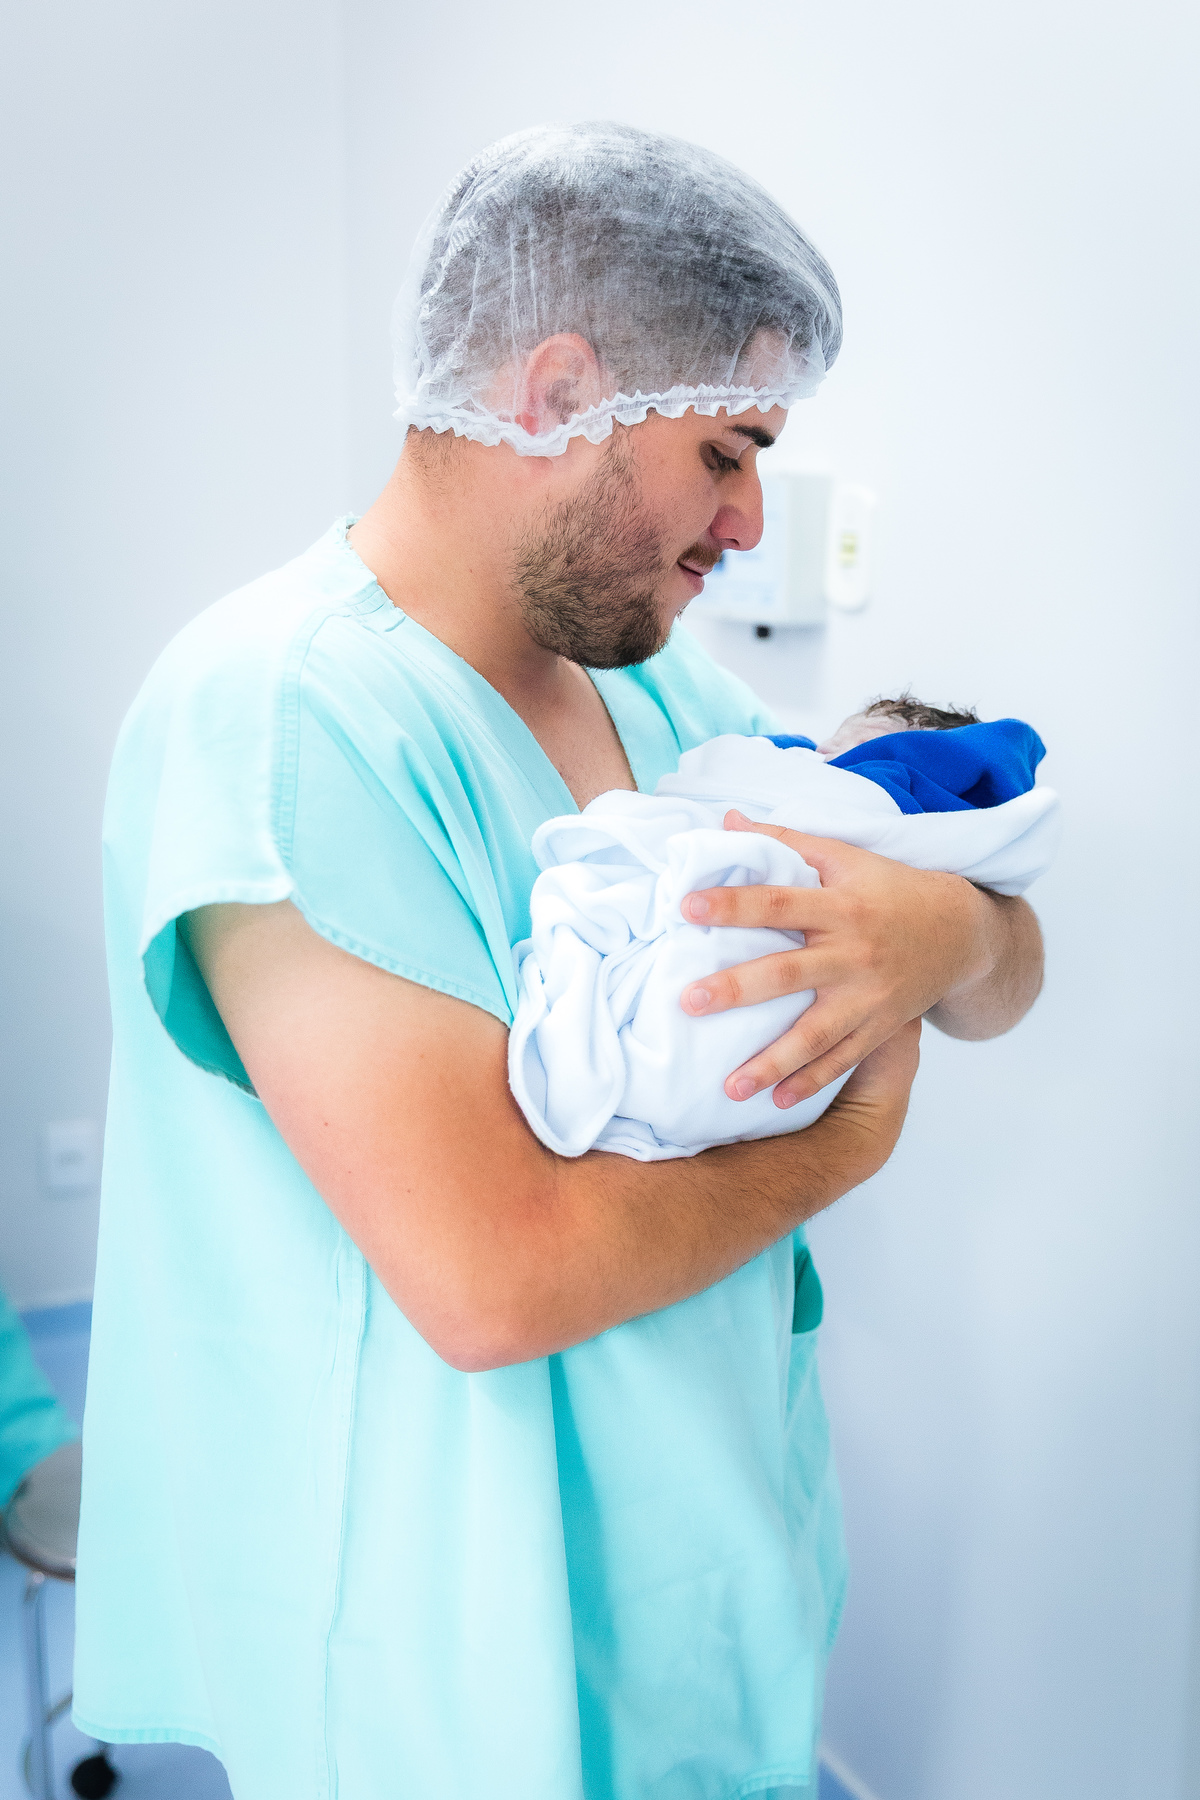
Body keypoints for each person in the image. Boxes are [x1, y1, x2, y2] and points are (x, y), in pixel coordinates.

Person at [75, 124, 1044, 1800]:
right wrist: (856, 1134)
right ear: (556, 394)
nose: (749, 519)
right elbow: (496, 1282)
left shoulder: (657, 692)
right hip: (449, 1660)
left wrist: (951, 926)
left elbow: (998, 969)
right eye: (728, 450)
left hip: (705, 1588)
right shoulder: (280, 718)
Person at [510, 698, 1061, 1159]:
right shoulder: (757, 746)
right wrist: (855, 1140)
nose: (821, 752)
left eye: (840, 746)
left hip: (771, 1246)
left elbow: (1012, 972)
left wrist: (957, 930)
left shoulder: (698, 694)